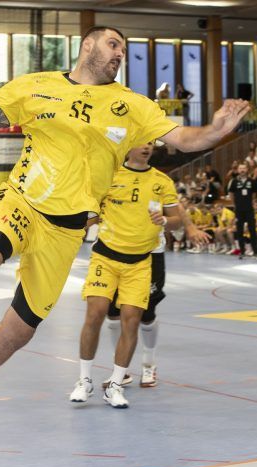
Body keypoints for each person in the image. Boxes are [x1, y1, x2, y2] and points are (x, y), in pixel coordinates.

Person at [0, 26, 250, 435]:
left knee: (18, 332)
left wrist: (217, 128)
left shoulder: (132, 105)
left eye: (124, 49)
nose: (120, 53)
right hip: (23, 200)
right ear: (88, 45)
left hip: (66, 231)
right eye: (113, 44)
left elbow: (187, 139)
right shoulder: (36, 86)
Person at [70, 142, 181, 407]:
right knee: (95, 313)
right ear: (129, 148)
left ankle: (117, 384)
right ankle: (84, 381)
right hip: (106, 257)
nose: (147, 148)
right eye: (142, 144)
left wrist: (165, 221)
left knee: (132, 321)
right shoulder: (109, 175)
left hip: (141, 262)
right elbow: (90, 213)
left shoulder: (162, 181)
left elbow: (176, 218)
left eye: (151, 144)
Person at [226, 162, 257, 259]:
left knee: (252, 230)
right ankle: (242, 251)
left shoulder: (252, 181)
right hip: (239, 210)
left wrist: (250, 203)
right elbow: (231, 194)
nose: (242, 170)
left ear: (247, 170)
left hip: (249, 210)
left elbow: (254, 194)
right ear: (238, 170)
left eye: (244, 168)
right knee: (239, 231)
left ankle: (256, 252)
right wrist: (235, 204)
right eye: (240, 168)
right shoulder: (233, 181)